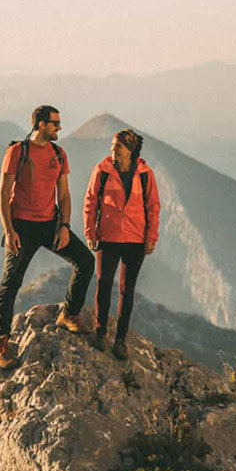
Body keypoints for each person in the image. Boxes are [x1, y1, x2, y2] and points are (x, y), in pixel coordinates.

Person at [0, 105, 95, 369]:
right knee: (11, 282)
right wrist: (8, 229)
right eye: (55, 124)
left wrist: (64, 227)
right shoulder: (17, 152)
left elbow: (65, 195)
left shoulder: (58, 154)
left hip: (50, 224)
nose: (59, 128)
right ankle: (0, 340)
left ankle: (69, 314)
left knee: (85, 261)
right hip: (22, 227)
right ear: (40, 125)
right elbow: (3, 194)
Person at [82, 127, 160, 360]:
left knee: (127, 290)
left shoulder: (145, 174)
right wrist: (90, 232)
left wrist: (151, 237)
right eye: (112, 147)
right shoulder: (102, 170)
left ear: (130, 150)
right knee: (104, 284)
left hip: (135, 240)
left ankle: (120, 340)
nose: (113, 151)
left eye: (118, 147)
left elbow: (153, 207)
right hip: (108, 237)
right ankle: (100, 331)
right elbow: (91, 201)